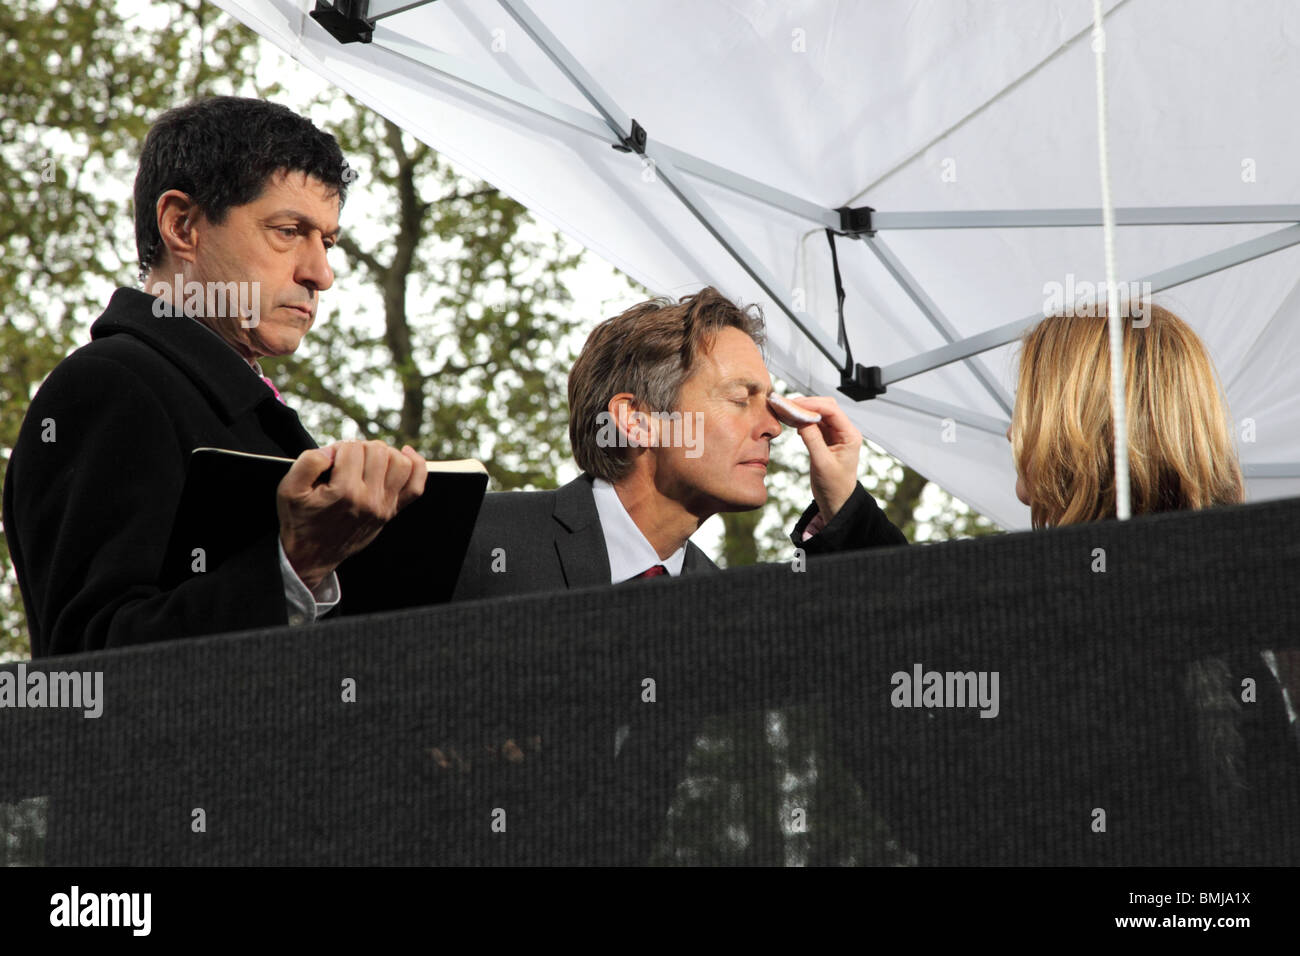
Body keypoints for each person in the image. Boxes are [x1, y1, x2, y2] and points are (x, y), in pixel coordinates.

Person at [445, 286, 906, 864]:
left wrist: (846, 511)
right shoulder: (476, 540)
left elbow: (898, 672)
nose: (774, 425)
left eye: (770, 400)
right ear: (637, 420)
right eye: (742, 398)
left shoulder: (733, 621)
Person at [3, 96, 427, 658]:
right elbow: (92, 666)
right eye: (287, 230)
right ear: (182, 226)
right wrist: (295, 563)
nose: (321, 273)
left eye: (326, 241)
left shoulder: (218, 397)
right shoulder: (110, 385)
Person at [1004, 303, 1300, 863]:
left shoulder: (1086, 627)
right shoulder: (1227, 599)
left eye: (1028, 408)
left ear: (1080, 428)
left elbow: (957, 807)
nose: (1013, 430)